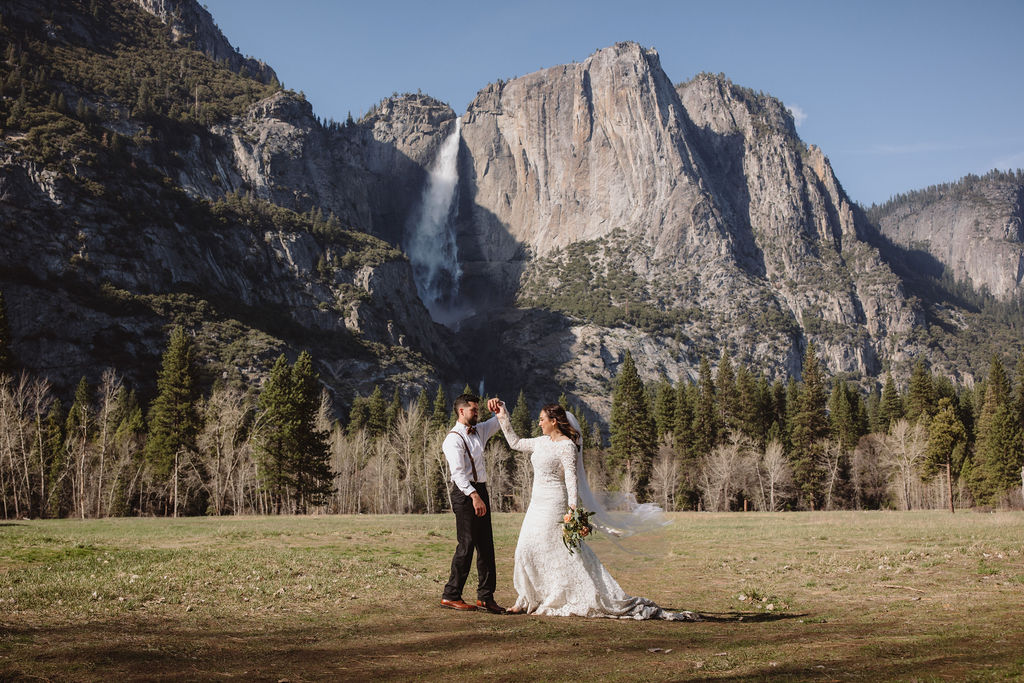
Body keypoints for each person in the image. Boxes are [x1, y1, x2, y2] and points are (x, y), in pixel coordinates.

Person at [491, 399, 698, 620]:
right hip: (536, 504)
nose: (539, 423)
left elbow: (571, 479)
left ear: (554, 421)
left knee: (557, 550)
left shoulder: (567, 446)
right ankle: (526, 598)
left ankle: (561, 594)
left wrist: (573, 510)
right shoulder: (539, 442)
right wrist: (503, 416)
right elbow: (514, 442)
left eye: (542, 419)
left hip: (554, 503)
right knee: (525, 548)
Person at [440, 393, 505, 614]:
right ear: (461, 411)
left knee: (486, 546)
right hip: (464, 493)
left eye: (478, 409)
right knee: (466, 544)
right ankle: (451, 595)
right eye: (473, 410)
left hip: (481, 490)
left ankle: (486, 597)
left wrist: (499, 406)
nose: (477, 413)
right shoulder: (453, 439)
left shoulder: (480, 430)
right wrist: (473, 495)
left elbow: (500, 420)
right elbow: (458, 475)